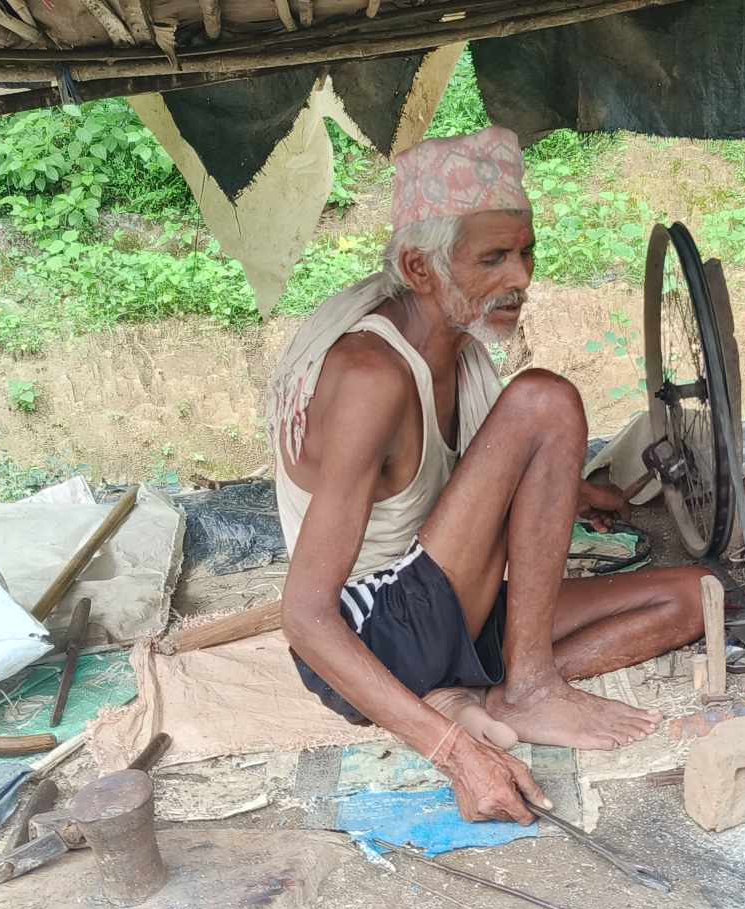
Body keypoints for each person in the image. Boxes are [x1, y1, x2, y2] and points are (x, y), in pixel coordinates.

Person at [268, 126, 710, 825]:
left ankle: (489, 693)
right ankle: (520, 687)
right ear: (420, 267)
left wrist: (576, 495)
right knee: (544, 399)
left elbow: (470, 480)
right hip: (372, 636)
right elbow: (304, 617)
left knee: (696, 597)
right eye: (495, 258)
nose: (522, 278)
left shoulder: (456, 339)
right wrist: (453, 752)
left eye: (527, 252)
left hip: (441, 615)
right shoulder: (370, 375)